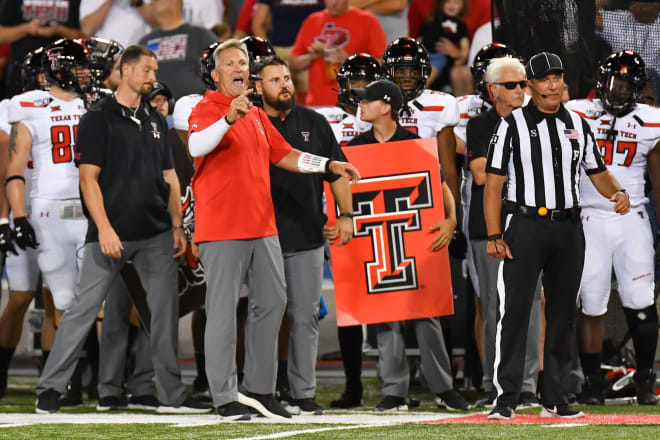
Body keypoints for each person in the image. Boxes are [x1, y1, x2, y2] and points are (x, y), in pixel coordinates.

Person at [186, 38, 359, 421]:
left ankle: (259, 389)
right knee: (222, 311)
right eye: (230, 62)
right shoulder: (206, 108)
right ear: (215, 74)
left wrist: (329, 166)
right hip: (222, 229)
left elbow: (287, 156)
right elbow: (196, 147)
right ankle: (224, 395)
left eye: (243, 62)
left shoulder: (258, 115)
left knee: (273, 305)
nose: (238, 68)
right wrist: (228, 118)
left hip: (263, 227)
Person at [34, 44, 211, 415]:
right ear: (126, 71)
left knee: (162, 315)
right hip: (109, 235)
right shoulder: (98, 117)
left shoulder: (154, 119)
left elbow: (169, 178)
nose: (152, 77)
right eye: (147, 70)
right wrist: (104, 229)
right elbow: (89, 179)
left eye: (155, 70)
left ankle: (170, 396)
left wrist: (177, 225)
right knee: (83, 310)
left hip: (157, 234)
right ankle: (49, 389)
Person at [484, 52, 631, 420]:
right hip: (525, 225)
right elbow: (493, 184)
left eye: (558, 77)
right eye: (545, 79)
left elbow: (597, 171)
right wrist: (493, 233)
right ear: (530, 85)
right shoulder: (511, 124)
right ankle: (506, 398)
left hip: (568, 227)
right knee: (515, 312)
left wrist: (617, 192)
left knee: (565, 314)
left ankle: (555, 397)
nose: (553, 84)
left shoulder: (578, 124)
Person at [346, 78, 466, 411]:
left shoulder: (413, 143)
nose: (361, 105)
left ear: (385, 106)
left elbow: (441, 185)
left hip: (412, 234)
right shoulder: (355, 146)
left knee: (426, 312)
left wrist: (452, 219)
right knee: (384, 315)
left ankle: (443, 387)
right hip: (378, 237)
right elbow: (343, 190)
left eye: (367, 100)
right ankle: (395, 390)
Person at [255, 56, 354, 415]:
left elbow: (337, 171)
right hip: (260, 237)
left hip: (307, 236)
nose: (284, 84)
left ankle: (303, 393)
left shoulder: (314, 122)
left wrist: (345, 215)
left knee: (305, 317)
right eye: (274, 79)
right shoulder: (252, 121)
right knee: (262, 316)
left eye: (287, 77)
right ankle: (261, 389)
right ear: (257, 87)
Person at [566, 50, 660, 406]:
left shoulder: (651, 121)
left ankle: (646, 378)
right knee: (591, 304)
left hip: (632, 217)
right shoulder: (577, 111)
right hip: (589, 216)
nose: (616, 91)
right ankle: (592, 380)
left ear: (638, 90)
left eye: (624, 86)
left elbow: (657, 177)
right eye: (612, 83)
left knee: (641, 302)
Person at [466, 56, 541, 408]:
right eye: (512, 85)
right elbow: (482, 175)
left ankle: (527, 384)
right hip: (490, 227)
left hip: (529, 224)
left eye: (523, 84)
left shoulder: (541, 123)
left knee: (528, 306)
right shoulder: (480, 126)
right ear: (493, 89)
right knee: (494, 308)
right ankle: (493, 382)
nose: (520, 91)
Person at [314, 53, 378, 409]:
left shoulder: (385, 118)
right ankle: (347, 386)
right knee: (343, 305)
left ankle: (373, 384)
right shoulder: (323, 119)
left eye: (367, 83)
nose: (360, 90)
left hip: (374, 216)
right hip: (327, 218)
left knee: (368, 304)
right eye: (355, 82)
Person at [0, 48, 58, 399]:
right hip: (23, 208)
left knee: (56, 299)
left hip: (56, 212)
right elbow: (6, 164)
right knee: (20, 297)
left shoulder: (75, 105)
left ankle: (54, 380)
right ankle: (2, 370)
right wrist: (6, 216)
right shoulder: (12, 107)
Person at [289, 0, 387, 107]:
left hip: (356, 105)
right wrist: (312, 56)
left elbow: (381, 63)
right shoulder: (312, 20)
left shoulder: (367, 20)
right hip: (317, 104)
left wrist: (350, 60)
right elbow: (294, 64)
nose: (334, 3)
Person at [0, 0, 85, 98]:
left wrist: (58, 29)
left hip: (63, 76)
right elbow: (2, 35)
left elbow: (85, 37)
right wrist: (27, 29)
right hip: (21, 74)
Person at [138, 0, 217, 99]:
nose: (150, 3)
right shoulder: (145, 42)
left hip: (195, 109)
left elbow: (220, 74)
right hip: (154, 111)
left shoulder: (201, 35)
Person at [418, 0, 471, 95]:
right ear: (441, 3)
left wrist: (460, 56)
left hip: (438, 58)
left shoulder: (461, 25)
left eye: (456, 2)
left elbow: (465, 49)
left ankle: (420, 98)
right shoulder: (431, 21)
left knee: (425, 78)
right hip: (423, 56)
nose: (452, 5)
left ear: (463, 6)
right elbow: (419, 40)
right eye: (448, 2)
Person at [80, 0, 151, 48]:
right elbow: (85, 31)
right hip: (100, 58)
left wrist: (137, 2)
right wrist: (110, 1)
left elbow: (157, 23)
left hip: (134, 59)